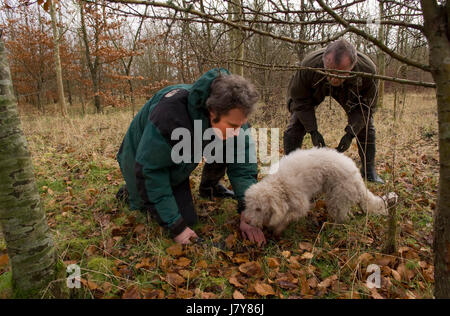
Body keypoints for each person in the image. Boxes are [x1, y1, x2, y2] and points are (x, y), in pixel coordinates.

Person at [116, 68, 266, 245]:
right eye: (233, 126)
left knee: (187, 218)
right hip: (139, 158)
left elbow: (242, 166)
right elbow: (150, 170)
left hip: (179, 157)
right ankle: (129, 192)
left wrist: (248, 212)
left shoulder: (235, 114)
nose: (237, 132)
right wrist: (176, 228)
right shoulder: (171, 115)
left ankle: (208, 187)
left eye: (241, 125)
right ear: (212, 111)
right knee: (168, 218)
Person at [283, 38, 384, 183]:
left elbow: (367, 109)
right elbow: (299, 100)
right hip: (316, 86)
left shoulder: (367, 71)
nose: (334, 78)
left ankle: (369, 171)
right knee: (295, 124)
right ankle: (290, 171)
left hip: (351, 91)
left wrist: (350, 134)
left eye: (341, 73)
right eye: (329, 72)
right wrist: (312, 131)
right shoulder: (309, 66)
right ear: (324, 62)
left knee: (366, 126)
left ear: (352, 66)